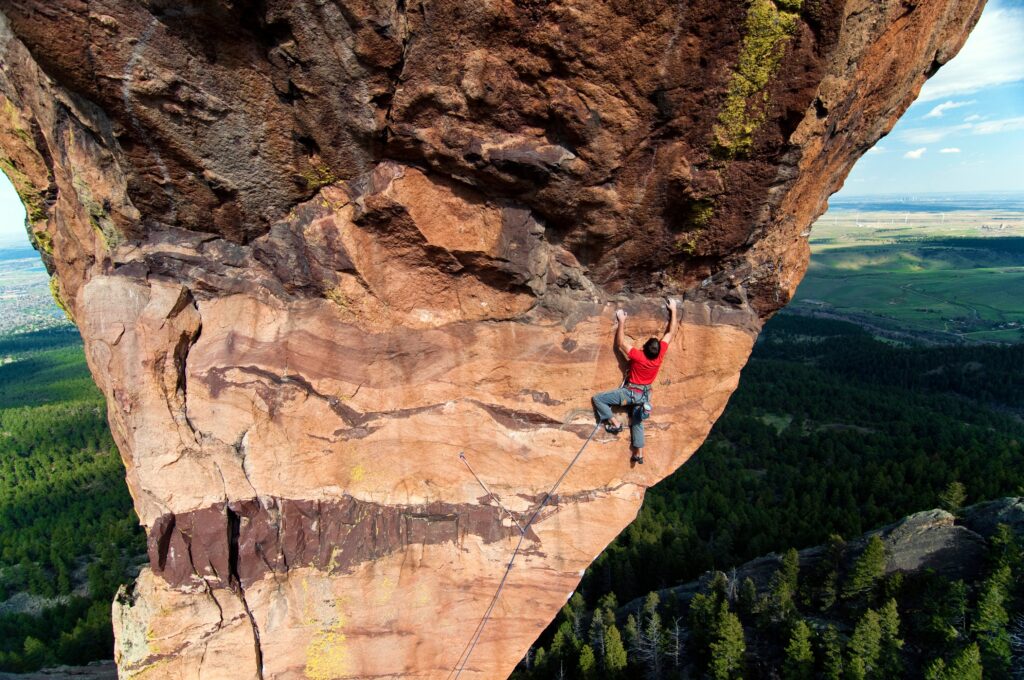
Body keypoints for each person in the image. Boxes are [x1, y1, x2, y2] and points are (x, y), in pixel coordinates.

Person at [592, 298, 678, 464]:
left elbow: (620, 344)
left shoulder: (639, 356)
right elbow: (670, 333)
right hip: (645, 395)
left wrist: (622, 321)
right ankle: (639, 453)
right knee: (637, 421)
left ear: (645, 348)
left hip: (630, 393)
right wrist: (673, 310)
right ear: (659, 350)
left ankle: (614, 422)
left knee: (599, 399)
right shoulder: (659, 356)